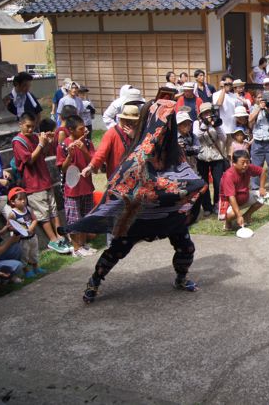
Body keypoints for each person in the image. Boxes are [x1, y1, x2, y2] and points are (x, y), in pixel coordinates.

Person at [68, 99, 205, 303]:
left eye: (169, 123)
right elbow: (121, 181)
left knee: (186, 246)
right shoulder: (139, 152)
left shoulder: (174, 151)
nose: (166, 127)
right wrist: (147, 190)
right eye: (164, 122)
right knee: (117, 250)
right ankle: (94, 281)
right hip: (138, 213)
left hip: (168, 212)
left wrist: (192, 185)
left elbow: (184, 174)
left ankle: (181, 278)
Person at [12, 113, 71, 254]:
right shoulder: (18, 141)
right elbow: (29, 160)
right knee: (42, 213)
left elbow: (42, 154)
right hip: (32, 183)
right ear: (20, 125)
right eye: (28, 126)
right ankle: (53, 240)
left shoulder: (34, 137)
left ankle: (60, 236)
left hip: (44, 179)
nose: (31, 130)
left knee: (53, 209)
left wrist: (47, 142)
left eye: (33, 126)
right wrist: (40, 143)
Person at [56, 115, 96, 257]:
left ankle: (83, 245)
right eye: (81, 128)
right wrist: (69, 155)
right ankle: (76, 248)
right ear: (71, 130)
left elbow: (94, 163)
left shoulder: (87, 143)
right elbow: (63, 169)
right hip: (72, 189)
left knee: (86, 217)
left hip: (86, 186)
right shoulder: (63, 146)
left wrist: (84, 150)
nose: (84, 130)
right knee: (74, 219)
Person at [82, 104, 139, 180]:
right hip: (117, 177)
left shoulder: (138, 132)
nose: (132, 123)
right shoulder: (112, 133)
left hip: (134, 176)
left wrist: (134, 136)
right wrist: (91, 166)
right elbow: (101, 153)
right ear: (122, 119)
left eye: (134, 121)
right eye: (129, 120)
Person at [194, 102, 228, 217]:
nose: (208, 115)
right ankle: (207, 206)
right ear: (201, 114)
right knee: (204, 183)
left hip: (216, 155)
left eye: (209, 112)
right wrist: (204, 125)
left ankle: (217, 205)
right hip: (202, 156)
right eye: (205, 113)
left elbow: (224, 138)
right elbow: (196, 137)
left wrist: (216, 126)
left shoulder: (216, 122)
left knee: (218, 182)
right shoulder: (196, 123)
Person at [220, 150, 267, 228]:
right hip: (230, 202)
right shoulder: (228, 175)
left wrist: (262, 187)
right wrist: (238, 215)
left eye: (247, 162)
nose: (245, 165)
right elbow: (231, 197)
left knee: (265, 197)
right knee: (233, 214)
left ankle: (246, 216)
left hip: (245, 197)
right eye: (242, 162)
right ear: (234, 163)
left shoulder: (248, 167)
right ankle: (228, 222)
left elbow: (262, 172)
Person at [249, 91, 269, 193]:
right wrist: (259, 108)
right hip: (258, 141)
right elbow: (249, 120)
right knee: (256, 166)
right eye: (264, 100)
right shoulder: (255, 108)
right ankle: (255, 187)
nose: (267, 103)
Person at [6, 187, 44, 278]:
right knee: (24, 255)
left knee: (34, 253)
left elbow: (35, 219)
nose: (23, 201)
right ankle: (26, 271)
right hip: (22, 240)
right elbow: (9, 226)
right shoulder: (12, 214)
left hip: (32, 236)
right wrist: (17, 229)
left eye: (24, 198)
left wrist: (31, 228)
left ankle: (36, 268)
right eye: (20, 199)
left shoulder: (29, 209)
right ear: (12, 202)